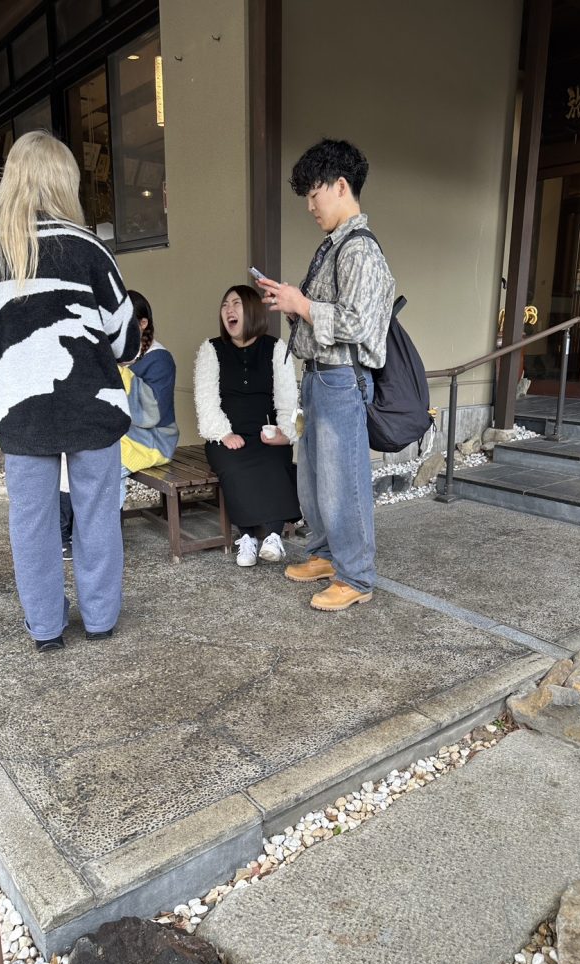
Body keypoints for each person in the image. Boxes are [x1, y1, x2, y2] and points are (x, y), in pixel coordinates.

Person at [0, 131, 140, 651]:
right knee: (97, 514)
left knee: (31, 524)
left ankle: (45, 629)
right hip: (92, 403)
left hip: (19, 410)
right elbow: (125, 340)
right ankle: (100, 619)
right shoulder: (88, 247)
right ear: (64, 180)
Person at [257, 138, 395, 610]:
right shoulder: (336, 247)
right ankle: (325, 555)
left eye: (314, 195)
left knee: (343, 481)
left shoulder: (359, 250)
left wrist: (302, 304)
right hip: (320, 375)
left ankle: (355, 576)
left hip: (341, 378)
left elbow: (360, 324)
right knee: (314, 478)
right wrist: (293, 305)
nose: (310, 206)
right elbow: (328, 316)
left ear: (340, 186)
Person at [193, 284, 300, 566]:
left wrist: (285, 433)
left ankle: (273, 536)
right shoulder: (212, 349)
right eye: (225, 305)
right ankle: (247, 538)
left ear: (252, 311)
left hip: (266, 433)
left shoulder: (275, 348)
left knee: (276, 460)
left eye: (236, 304)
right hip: (227, 435)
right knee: (234, 465)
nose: (228, 310)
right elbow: (206, 399)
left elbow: (287, 399)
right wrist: (223, 433)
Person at [118, 289, 179, 506]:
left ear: (143, 323)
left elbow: (150, 414)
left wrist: (119, 372)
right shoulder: (119, 353)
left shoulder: (160, 359)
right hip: (124, 435)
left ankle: (105, 525)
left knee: (104, 467)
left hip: (154, 439)